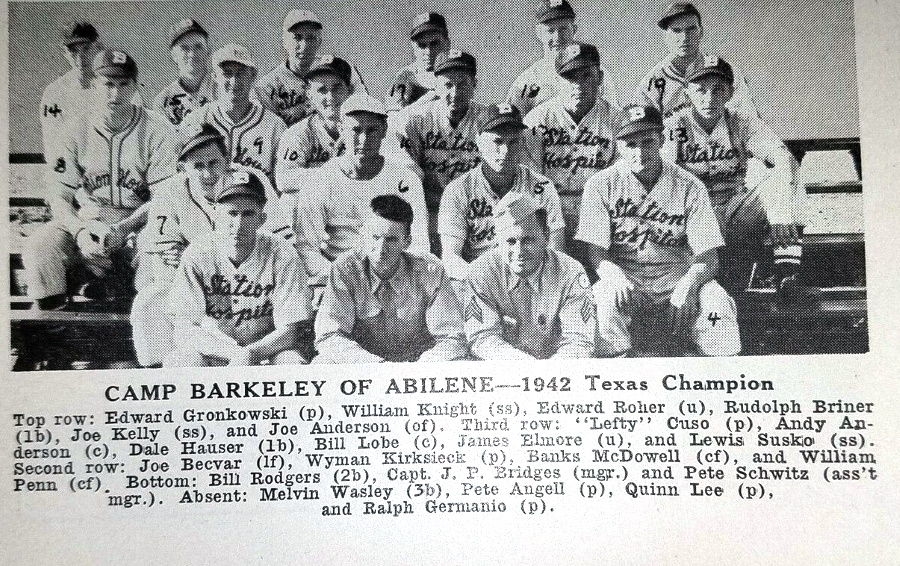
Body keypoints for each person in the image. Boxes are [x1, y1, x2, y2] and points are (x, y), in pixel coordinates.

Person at [576, 104, 741, 357]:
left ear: (662, 140)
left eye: (648, 142)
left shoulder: (690, 185)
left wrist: (690, 283)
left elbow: (709, 258)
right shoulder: (600, 185)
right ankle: (617, 369)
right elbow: (596, 253)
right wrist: (614, 277)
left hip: (676, 281)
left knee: (716, 308)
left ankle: (718, 374)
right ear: (618, 146)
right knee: (602, 303)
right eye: (630, 144)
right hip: (627, 281)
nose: (640, 152)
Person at [26, 49, 177, 311]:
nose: (115, 94)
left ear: (135, 86)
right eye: (108, 84)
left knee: (160, 259)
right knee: (40, 248)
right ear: (94, 85)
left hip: (141, 223)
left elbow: (164, 197)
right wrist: (80, 231)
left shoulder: (157, 129)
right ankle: (52, 329)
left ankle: (139, 315)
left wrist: (123, 228)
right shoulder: (73, 130)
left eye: (123, 84)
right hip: (88, 222)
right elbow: (59, 195)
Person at [131, 126, 284, 366]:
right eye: (198, 166)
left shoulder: (251, 181)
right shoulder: (169, 192)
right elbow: (165, 263)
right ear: (183, 167)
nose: (207, 173)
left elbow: (279, 242)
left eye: (214, 163)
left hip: (253, 281)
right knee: (150, 301)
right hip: (196, 286)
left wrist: (197, 257)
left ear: (227, 160)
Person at [661, 56, 801, 293]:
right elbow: (663, 176)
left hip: (734, 210)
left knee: (787, 177)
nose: (709, 98)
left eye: (718, 90)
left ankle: (788, 278)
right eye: (701, 90)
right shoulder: (675, 126)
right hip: (694, 215)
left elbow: (782, 159)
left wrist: (781, 211)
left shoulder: (741, 121)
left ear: (730, 93)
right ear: (687, 93)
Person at [165, 168, 312, 367]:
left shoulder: (283, 253)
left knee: (291, 363)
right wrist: (234, 354)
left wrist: (251, 353)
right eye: (232, 213)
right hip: (215, 352)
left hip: (269, 352)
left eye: (248, 214)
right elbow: (185, 327)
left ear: (262, 219)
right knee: (181, 361)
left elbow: (291, 330)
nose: (239, 224)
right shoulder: (198, 253)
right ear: (216, 215)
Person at [293, 93, 429, 303]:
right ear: (341, 130)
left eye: (372, 130)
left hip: (392, 277)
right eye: (355, 130)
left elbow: (419, 243)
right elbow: (306, 247)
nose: (364, 139)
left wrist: (392, 279)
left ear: (384, 130)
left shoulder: (404, 179)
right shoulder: (321, 178)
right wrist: (341, 279)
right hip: (336, 277)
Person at [315, 195, 468, 363]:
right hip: (364, 365)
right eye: (375, 237)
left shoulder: (430, 270)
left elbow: (452, 337)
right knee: (322, 363)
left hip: (418, 365)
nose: (381, 249)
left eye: (391, 240)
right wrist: (377, 366)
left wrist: (420, 368)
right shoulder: (345, 269)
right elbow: (329, 335)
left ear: (407, 242)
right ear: (363, 235)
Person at [439, 103, 564, 291]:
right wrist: (484, 284)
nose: (505, 151)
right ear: (479, 142)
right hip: (478, 281)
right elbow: (451, 256)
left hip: (531, 282)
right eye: (497, 142)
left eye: (513, 142)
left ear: (522, 142)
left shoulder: (542, 187)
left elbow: (555, 252)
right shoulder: (458, 190)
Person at [465, 191, 595, 360]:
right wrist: (523, 365)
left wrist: (551, 371)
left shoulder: (570, 273)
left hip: (558, 367)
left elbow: (579, 340)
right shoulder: (481, 272)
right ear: (498, 241)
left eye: (528, 240)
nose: (519, 251)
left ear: (546, 236)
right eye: (510, 241)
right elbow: (482, 337)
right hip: (505, 366)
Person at [523, 42, 619, 266]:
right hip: (551, 218)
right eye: (569, 78)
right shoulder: (536, 121)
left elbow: (621, 184)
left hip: (601, 220)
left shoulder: (617, 122)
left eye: (586, 76)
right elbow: (530, 185)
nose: (578, 85)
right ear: (557, 80)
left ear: (600, 78)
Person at [388, 49, 484, 250]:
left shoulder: (487, 120)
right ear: (436, 85)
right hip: (429, 215)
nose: (455, 93)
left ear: (474, 84)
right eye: (448, 85)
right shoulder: (414, 119)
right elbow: (407, 179)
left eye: (462, 84)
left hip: (476, 216)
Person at [183, 44, 286, 185]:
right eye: (227, 73)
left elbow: (282, 181)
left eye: (241, 73)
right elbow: (181, 177)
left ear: (253, 76)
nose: (234, 81)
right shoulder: (195, 120)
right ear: (214, 77)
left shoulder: (275, 126)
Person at [634, 2, 757, 119]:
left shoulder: (726, 72)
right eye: (676, 31)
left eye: (691, 29)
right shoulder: (650, 84)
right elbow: (641, 129)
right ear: (665, 36)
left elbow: (749, 119)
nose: (684, 37)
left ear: (701, 32)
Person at [39, 22, 143, 158]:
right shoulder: (54, 93)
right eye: (73, 51)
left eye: (86, 48)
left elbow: (137, 133)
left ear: (98, 47)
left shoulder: (120, 86)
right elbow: (53, 144)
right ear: (65, 53)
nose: (80, 57)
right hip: (72, 165)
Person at [506, 0, 617, 117]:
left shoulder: (594, 73)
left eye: (563, 29)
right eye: (550, 30)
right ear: (539, 33)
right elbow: (511, 126)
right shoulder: (524, 83)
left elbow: (612, 118)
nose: (557, 37)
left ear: (574, 30)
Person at [256, 9, 365, 126]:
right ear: (284, 42)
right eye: (297, 37)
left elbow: (363, 107)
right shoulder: (267, 86)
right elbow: (270, 130)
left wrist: (308, 107)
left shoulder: (339, 68)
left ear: (319, 41)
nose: (304, 45)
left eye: (311, 38)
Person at [275, 54, 354, 190]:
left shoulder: (365, 128)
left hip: (351, 199)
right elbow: (284, 179)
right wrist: (334, 175)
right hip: (312, 201)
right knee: (290, 198)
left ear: (350, 91)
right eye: (321, 90)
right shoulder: (298, 133)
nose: (330, 96)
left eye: (337, 87)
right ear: (309, 95)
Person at [152, 19, 214, 127]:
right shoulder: (163, 101)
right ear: (174, 55)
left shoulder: (226, 88)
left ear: (208, 50)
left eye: (198, 46)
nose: (192, 54)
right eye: (184, 48)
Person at [387, 12, 451, 111]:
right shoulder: (405, 77)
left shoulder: (460, 73)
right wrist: (427, 100)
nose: (428, 51)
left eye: (434, 43)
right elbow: (393, 117)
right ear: (413, 46)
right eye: (422, 45)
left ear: (447, 43)